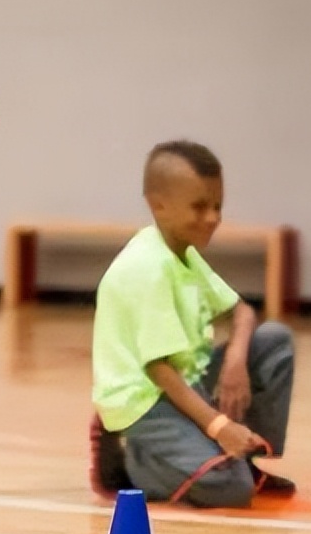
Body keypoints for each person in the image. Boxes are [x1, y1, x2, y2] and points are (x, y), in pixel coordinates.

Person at [90, 140, 294, 508]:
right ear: (159, 205)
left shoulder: (183, 252)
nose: (213, 218)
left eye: (217, 206)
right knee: (233, 490)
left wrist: (235, 362)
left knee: (274, 341)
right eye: (199, 207)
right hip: (148, 401)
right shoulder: (147, 268)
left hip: (188, 383)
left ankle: (241, 457)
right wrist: (218, 426)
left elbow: (243, 313)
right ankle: (129, 458)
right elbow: (161, 371)